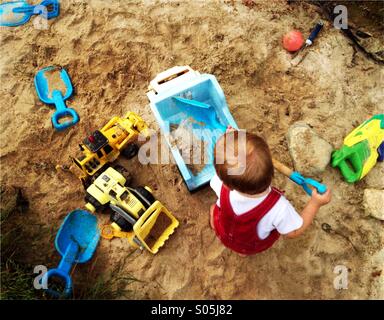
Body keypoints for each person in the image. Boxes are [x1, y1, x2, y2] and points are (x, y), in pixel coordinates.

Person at [210, 129, 332, 256]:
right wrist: (315, 203)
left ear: (227, 185)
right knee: (243, 248)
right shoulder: (278, 208)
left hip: (223, 232)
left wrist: (232, 140)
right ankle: (242, 252)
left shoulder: (221, 184)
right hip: (248, 246)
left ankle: (215, 223)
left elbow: (232, 164)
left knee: (216, 212)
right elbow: (294, 232)